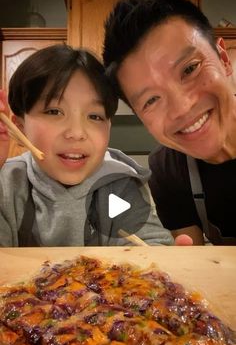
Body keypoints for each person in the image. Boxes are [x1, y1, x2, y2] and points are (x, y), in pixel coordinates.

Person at [0, 43, 176, 247]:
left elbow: (150, 245)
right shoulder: (7, 184)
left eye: (94, 116)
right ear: (19, 127)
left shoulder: (117, 186)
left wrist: (163, 261)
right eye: (54, 112)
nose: (76, 133)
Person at [103, 0, 236, 245]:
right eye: (151, 100)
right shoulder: (167, 170)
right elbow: (196, 263)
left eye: (189, 69)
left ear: (224, 59)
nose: (182, 108)